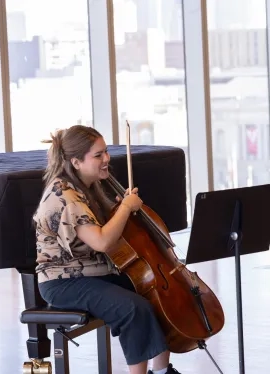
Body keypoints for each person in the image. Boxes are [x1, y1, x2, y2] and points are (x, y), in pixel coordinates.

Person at [33, 125, 181, 374]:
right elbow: (102, 242)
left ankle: (162, 371)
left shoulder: (87, 186)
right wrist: (124, 209)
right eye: (98, 155)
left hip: (93, 271)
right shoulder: (65, 196)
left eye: (106, 152)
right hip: (64, 281)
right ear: (76, 161)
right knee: (132, 308)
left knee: (155, 292)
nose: (107, 160)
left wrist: (118, 211)